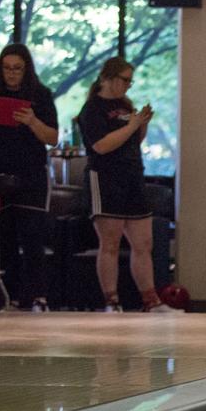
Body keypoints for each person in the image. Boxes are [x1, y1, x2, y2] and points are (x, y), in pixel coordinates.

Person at [78, 56, 179, 313]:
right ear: (109, 78)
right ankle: (111, 300)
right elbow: (101, 145)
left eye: (130, 82)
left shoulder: (125, 105)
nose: (127, 86)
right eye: (124, 80)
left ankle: (150, 299)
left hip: (133, 175)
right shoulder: (92, 109)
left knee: (143, 242)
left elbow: (134, 140)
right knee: (110, 242)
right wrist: (132, 125)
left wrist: (141, 124)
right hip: (106, 178)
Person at [0, 44, 59, 312]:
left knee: (32, 236)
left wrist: (33, 121)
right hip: (2, 174)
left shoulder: (41, 95)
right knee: (6, 237)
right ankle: (10, 296)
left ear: (27, 70)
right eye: (7, 68)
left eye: (17, 69)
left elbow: (53, 138)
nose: (12, 74)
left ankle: (38, 296)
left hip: (32, 174)